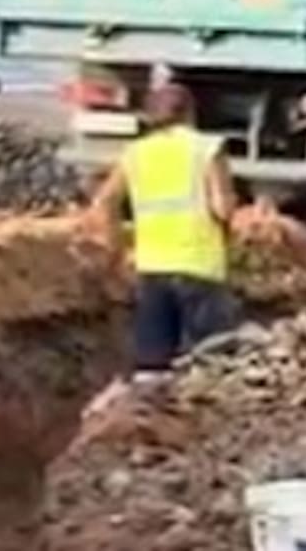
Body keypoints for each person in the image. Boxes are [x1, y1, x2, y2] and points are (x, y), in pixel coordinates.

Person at [89, 81, 240, 388]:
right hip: (200, 266)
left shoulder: (136, 153)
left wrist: (116, 250)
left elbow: (104, 202)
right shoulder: (206, 148)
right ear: (190, 113)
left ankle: (147, 411)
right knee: (210, 366)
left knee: (152, 368)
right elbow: (222, 208)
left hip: (152, 268)